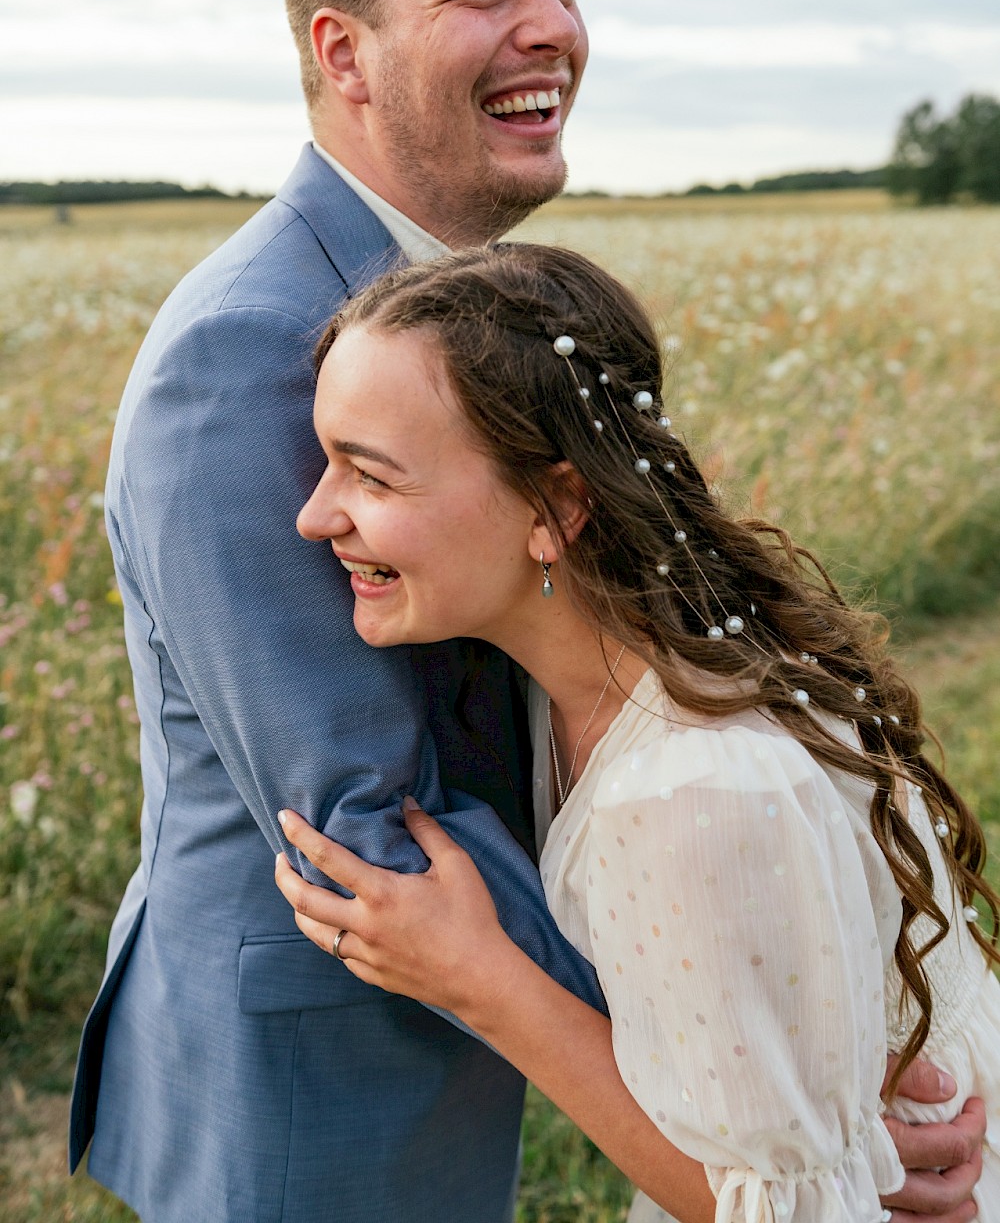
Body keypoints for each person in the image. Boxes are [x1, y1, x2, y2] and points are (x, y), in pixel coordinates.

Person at [70, 0, 981, 1223]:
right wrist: (793, 1080)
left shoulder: (462, 313)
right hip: (318, 1075)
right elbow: (364, 822)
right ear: (343, 50)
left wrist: (811, 1050)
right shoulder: (243, 352)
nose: (552, 25)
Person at [274, 242, 1000, 1223]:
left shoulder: (693, 790)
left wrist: (480, 979)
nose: (315, 515)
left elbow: (788, 1212)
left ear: (557, 506)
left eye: (371, 476)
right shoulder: (586, 672)